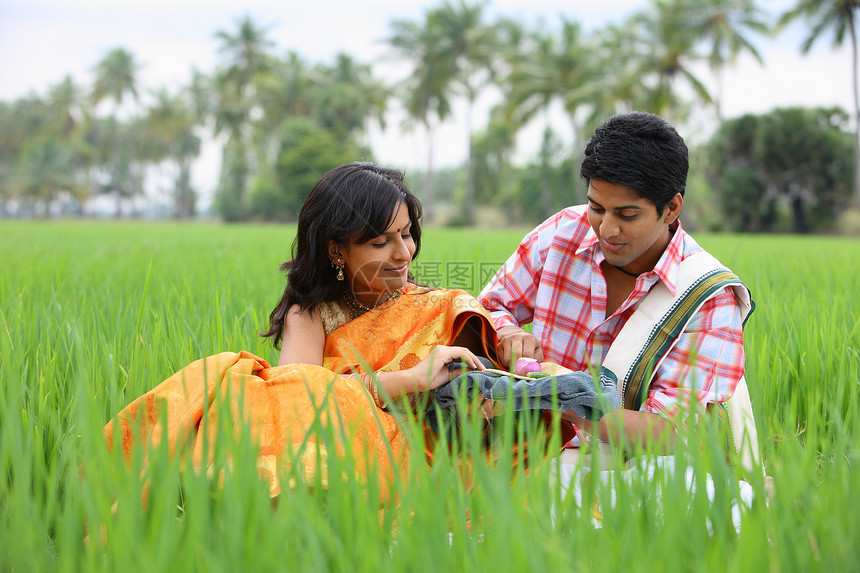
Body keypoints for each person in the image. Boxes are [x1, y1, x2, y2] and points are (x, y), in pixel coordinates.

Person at [104, 162, 527, 501]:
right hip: (339, 454)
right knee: (236, 380)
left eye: (406, 235)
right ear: (336, 249)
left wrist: (505, 356)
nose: (403, 253)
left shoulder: (441, 307)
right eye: (381, 242)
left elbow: (482, 403)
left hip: (419, 459)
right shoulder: (311, 314)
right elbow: (299, 399)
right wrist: (410, 380)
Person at [478, 112, 754, 458]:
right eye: (597, 207)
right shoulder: (563, 233)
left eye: (626, 215)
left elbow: (671, 432)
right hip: (533, 447)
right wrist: (506, 334)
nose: (606, 229)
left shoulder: (707, 297)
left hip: (633, 466)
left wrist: (559, 395)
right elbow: (488, 307)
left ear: (670, 208)